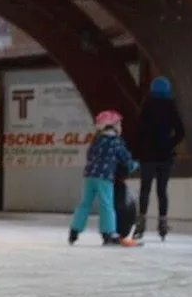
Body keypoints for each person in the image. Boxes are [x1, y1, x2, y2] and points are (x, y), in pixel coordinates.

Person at [69, 110, 139, 246]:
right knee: (106, 204)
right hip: (105, 177)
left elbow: (89, 156)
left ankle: (74, 230)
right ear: (114, 126)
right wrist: (134, 165)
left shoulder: (96, 141)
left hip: (90, 176)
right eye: (119, 124)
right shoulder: (116, 142)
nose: (121, 127)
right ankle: (108, 233)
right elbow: (126, 159)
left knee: (85, 203)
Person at [134, 76, 185, 240]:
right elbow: (181, 132)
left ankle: (141, 222)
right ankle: (162, 223)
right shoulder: (171, 107)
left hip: (147, 155)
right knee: (162, 191)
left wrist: (142, 147)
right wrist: (169, 144)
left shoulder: (146, 106)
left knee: (145, 189)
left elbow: (138, 131)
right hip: (164, 156)